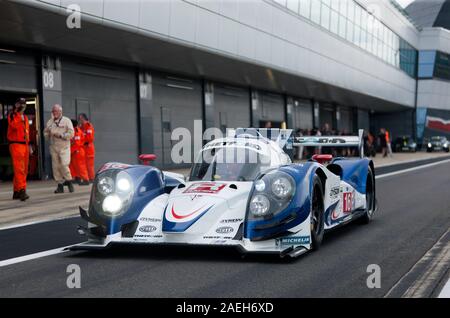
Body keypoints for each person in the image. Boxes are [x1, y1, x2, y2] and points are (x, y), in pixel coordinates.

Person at [44, 104, 75, 193]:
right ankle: (60, 185)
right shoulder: (50, 122)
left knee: (64, 164)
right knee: (56, 167)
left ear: (60, 112)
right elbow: (45, 133)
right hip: (54, 147)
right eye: (53, 111)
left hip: (64, 146)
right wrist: (47, 135)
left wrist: (62, 135)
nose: (54, 113)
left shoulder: (67, 121)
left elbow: (71, 133)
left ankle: (69, 180)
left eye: (56, 111)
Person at [7, 98, 30, 201]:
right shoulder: (12, 115)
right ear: (16, 105)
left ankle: (16, 191)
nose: (23, 106)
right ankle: (22, 190)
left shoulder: (25, 117)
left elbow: (26, 132)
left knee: (24, 169)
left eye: (24, 104)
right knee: (19, 168)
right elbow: (14, 126)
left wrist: (29, 145)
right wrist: (17, 113)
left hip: (24, 145)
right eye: (21, 104)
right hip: (16, 145)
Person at [69, 119, 90, 186]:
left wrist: (71, 151)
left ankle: (86, 179)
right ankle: (77, 178)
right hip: (75, 151)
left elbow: (77, 143)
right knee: (74, 166)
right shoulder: (74, 130)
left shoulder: (76, 131)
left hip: (78, 151)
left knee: (81, 166)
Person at [78, 113, 95, 182]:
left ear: (84, 118)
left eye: (81, 119)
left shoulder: (89, 126)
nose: (80, 120)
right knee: (83, 165)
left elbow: (90, 138)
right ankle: (86, 178)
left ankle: (92, 178)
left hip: (88, 149)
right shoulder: (81, 127)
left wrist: (82, 142)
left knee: (89, 165)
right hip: (83, 149)